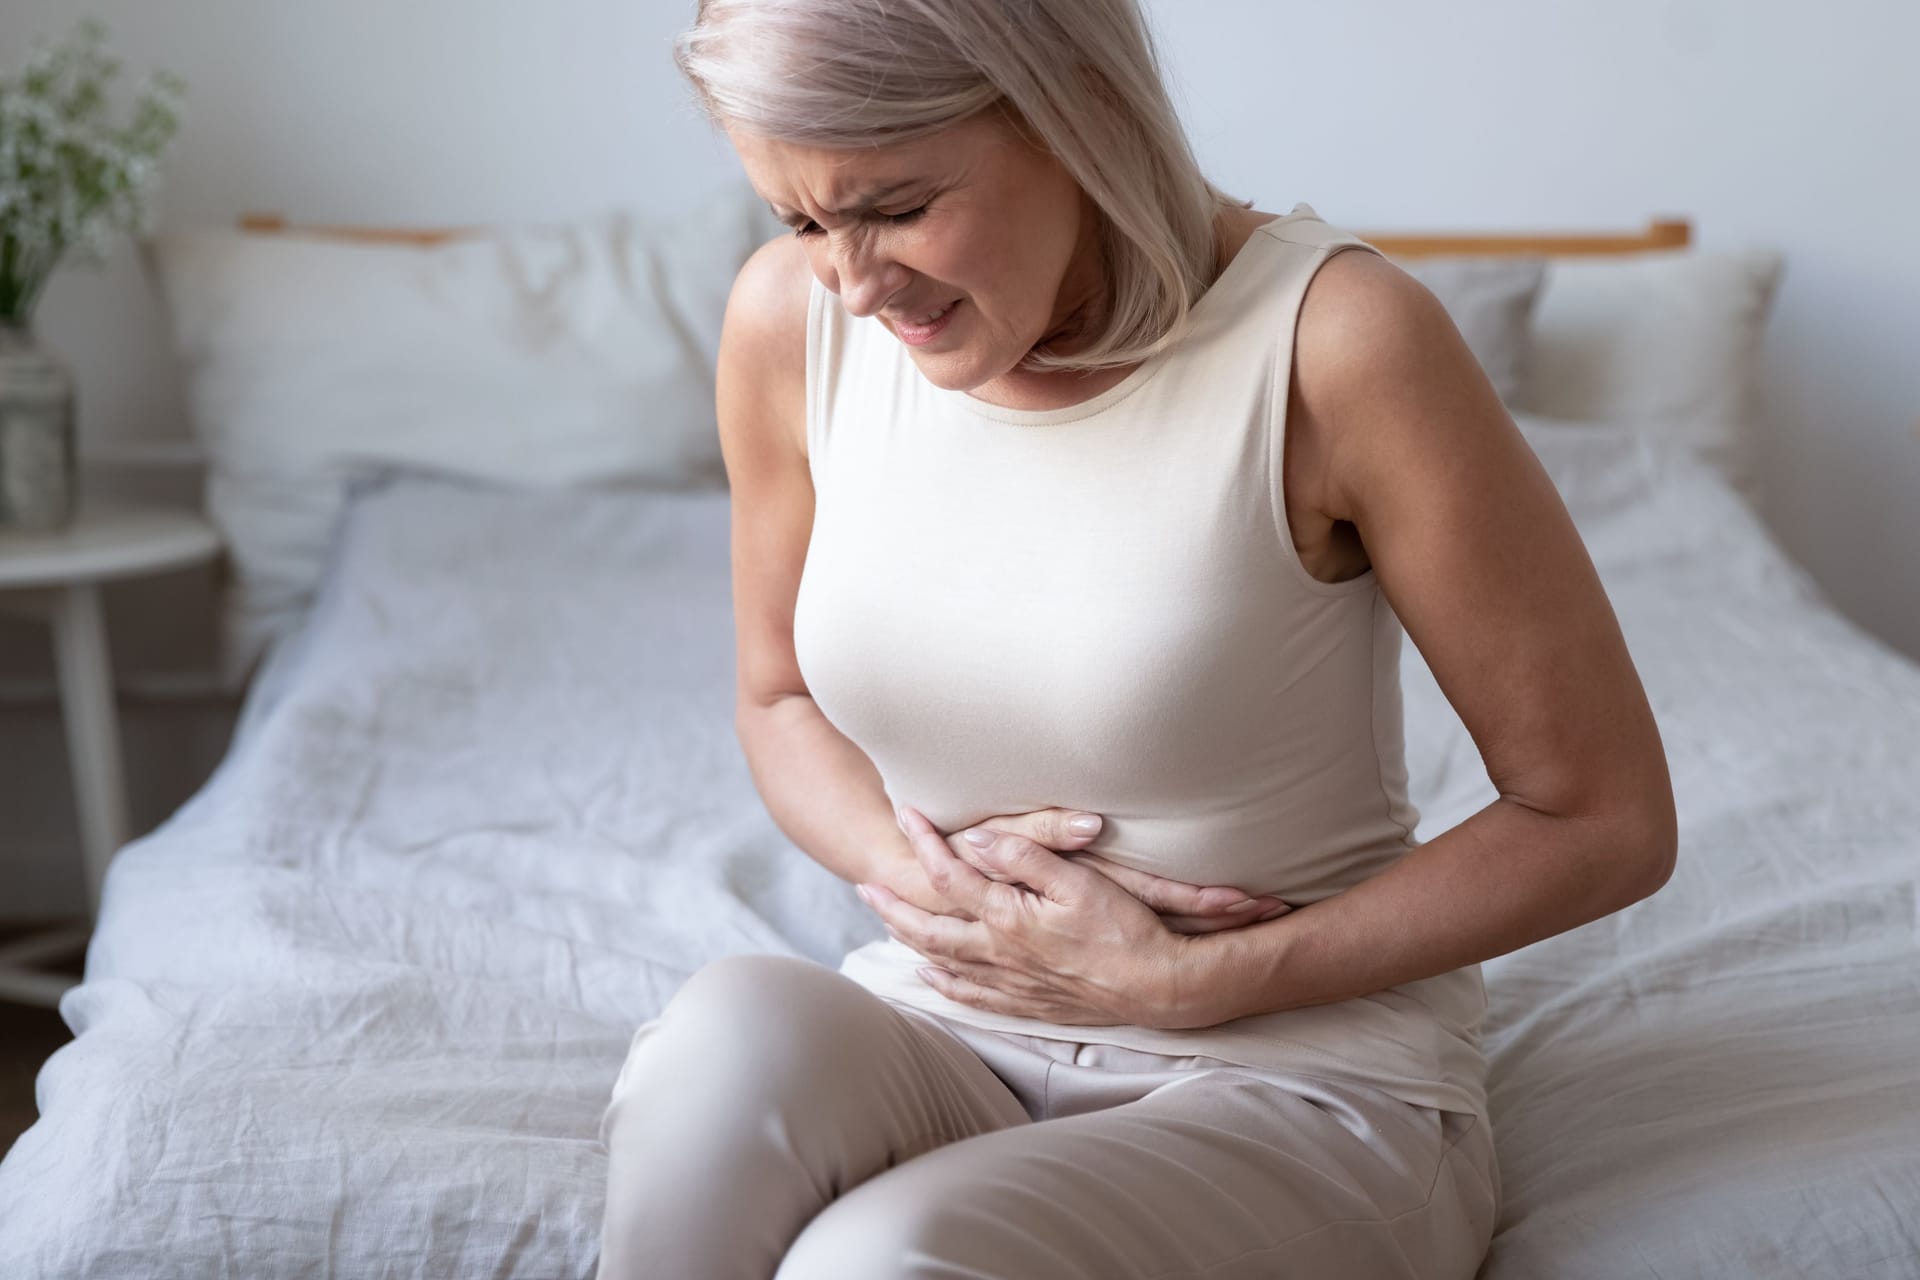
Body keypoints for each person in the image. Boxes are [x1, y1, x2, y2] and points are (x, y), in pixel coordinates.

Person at [596, 1, 1679, 1276]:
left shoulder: (1337, 342)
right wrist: (940, 879)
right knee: (717, 1047)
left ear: (1080, 117)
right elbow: (778, 700)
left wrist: (1198, 981)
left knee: (878, 1261)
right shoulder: (792, 323)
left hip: (1300, 1078)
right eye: (799, 218)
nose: (853, 279)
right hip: (954, 1018)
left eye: (894, 207)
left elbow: (1600, 815)